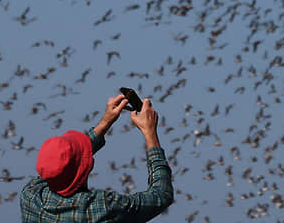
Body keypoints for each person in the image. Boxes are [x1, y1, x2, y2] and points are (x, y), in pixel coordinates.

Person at [20, 92, 174, 222]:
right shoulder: (101, 207)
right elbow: (161, 196)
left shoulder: (30, 197)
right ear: (88, 166)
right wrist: (150, 133)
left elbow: (57, 167)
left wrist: (105, 122)